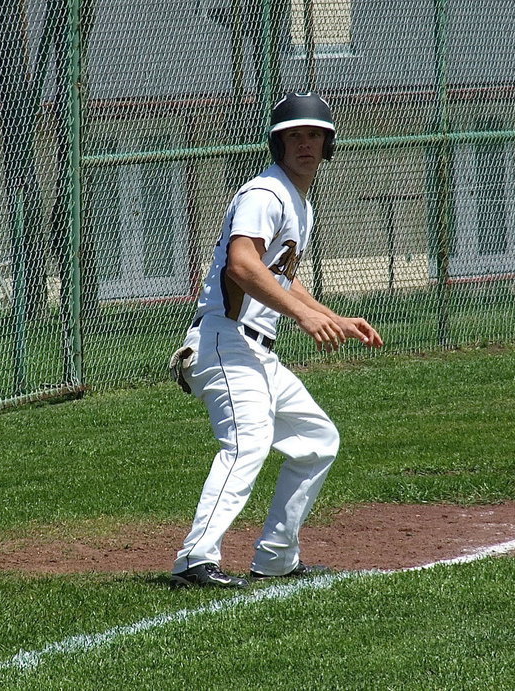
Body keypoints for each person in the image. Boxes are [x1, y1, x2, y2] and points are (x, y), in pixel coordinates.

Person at [168, 92, 383, 589]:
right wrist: (305, 321)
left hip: (256, 350)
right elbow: (242, 266)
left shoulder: (296, 201)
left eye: (314, 135)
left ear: (328, 144)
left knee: (317, 441)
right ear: (278, 143)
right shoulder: (265, 195)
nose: (305, 143)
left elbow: (279, 277)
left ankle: (277, 558)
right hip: (225, 341)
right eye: (294, 135)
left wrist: (330, 315)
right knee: (248, 443)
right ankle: (194, 560)